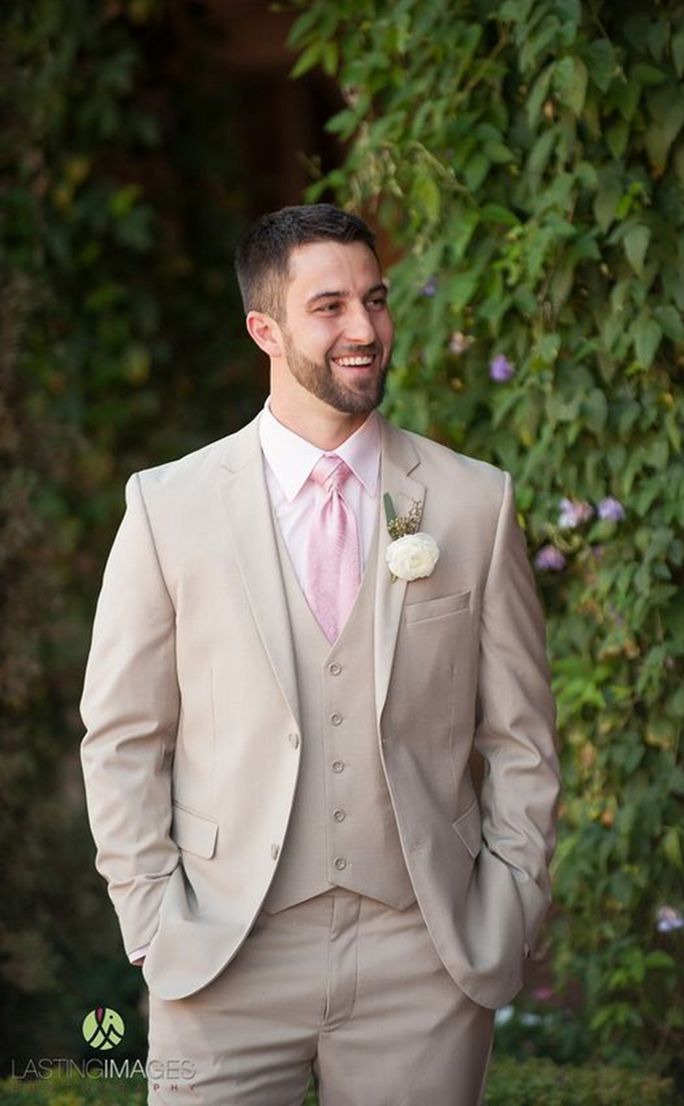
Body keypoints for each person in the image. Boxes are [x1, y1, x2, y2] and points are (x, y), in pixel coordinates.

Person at [80, 203, 560, 1106]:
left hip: (422, 957)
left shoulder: (471, 503)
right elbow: (121, 737)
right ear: (264, 328)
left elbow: (521, 739)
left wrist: (509, 904)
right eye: (329, 306)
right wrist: (151, 920)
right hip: (223, 953)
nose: (364, 330)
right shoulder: (168, 507)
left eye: (374, 302)